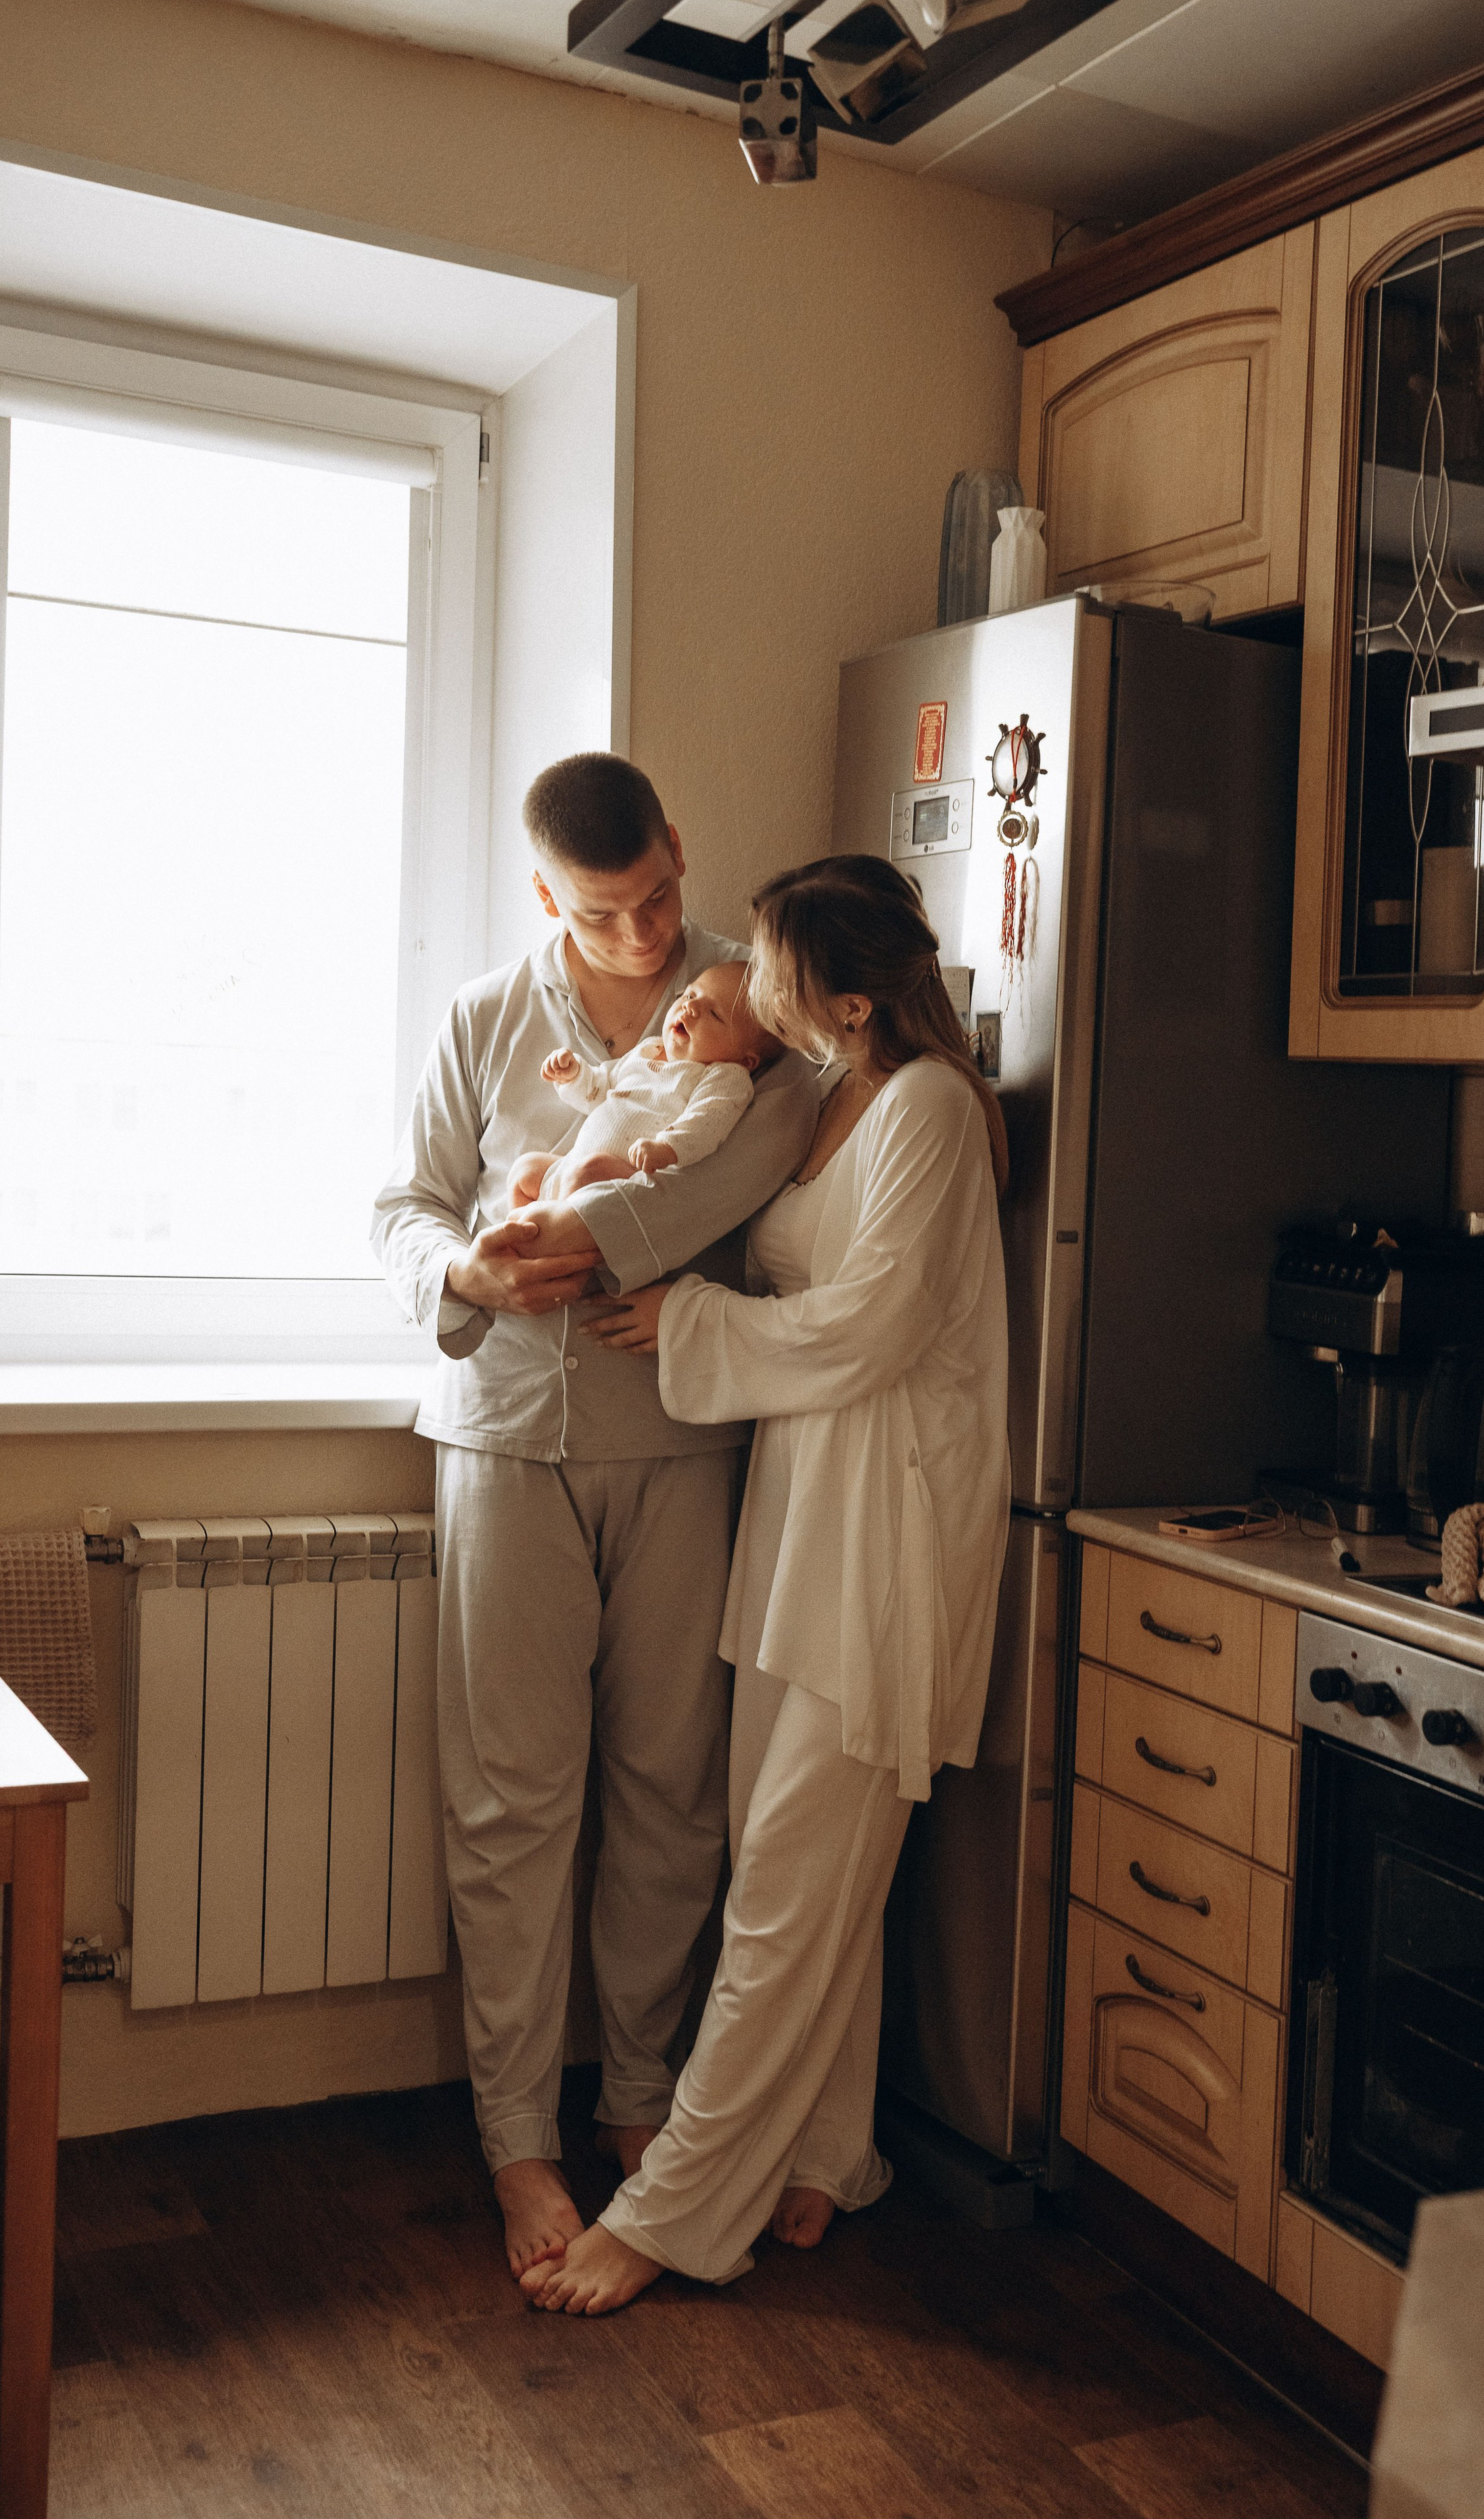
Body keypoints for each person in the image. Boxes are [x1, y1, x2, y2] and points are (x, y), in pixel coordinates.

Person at [521, 852, 1011, 2315]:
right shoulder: (826, 1095)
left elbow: (871, 1326)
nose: (745, 976)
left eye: (777, 965)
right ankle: (826, 2147)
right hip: (800, 1505)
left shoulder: (925, 1108)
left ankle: (675, 2211)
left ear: (848, 999)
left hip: (883, 1529)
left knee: (790, 1885)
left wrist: (689, 1317)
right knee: (795, 1866)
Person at [370, 754, 818, 2282]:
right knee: (509, 1801)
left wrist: (578, 1231)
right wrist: (473, 1275)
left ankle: (642, 2101)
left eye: (657, 899)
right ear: (546, 896)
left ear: (679, 851)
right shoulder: (481, 1016)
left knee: (670, 1787)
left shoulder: (749, 1001)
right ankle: (517, 2139)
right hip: (501, 1437)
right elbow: (399, 1207)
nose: (642, 934)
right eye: (605, 913)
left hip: (682, 1438)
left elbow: (753, 1161)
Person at [511, 963, 781, 1204]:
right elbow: (600, 1088)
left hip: (625, 1178)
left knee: (588, 1172)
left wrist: (667, 1147)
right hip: (573, 1165)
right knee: (525, 1169)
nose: (690, 1007)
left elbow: (707, 1122)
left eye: (714, 1013)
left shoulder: (724, 1077)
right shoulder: (649, 1050)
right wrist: (574, 1075)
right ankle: (524, 1236)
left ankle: (543, 1241)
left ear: (747, 1061)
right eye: (690, 994)